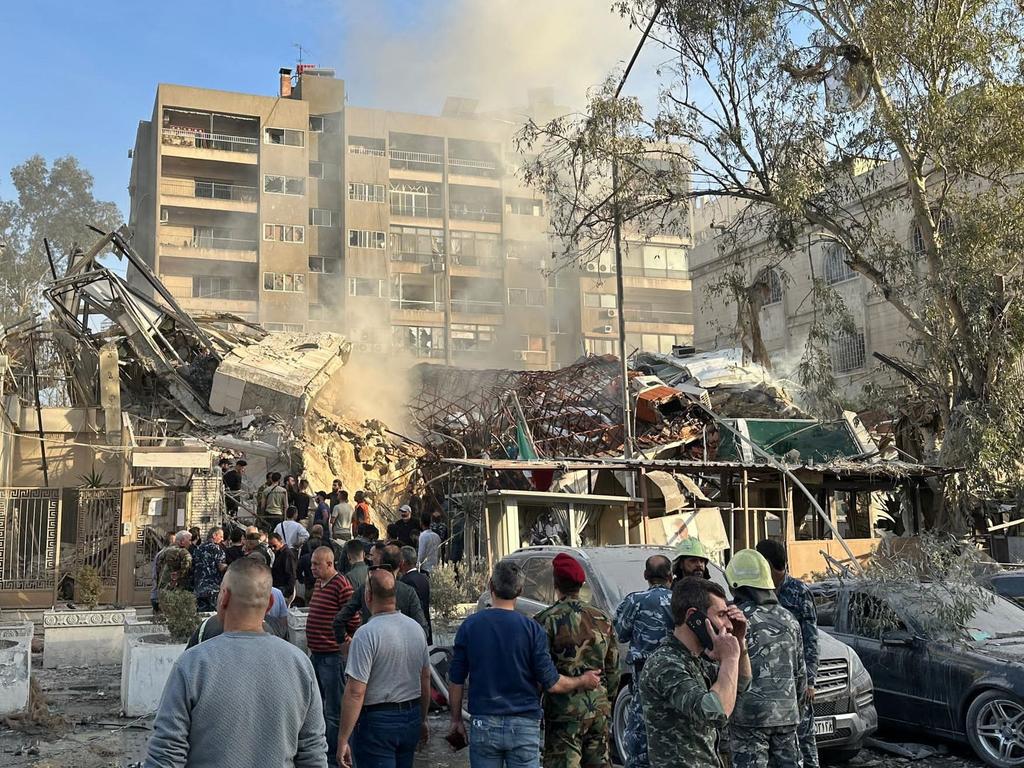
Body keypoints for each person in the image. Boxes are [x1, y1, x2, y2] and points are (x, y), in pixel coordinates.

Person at [144, 557, 327, 768]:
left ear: (224, 597)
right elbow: (313, 753)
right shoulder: (300, 665)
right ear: (270, 604)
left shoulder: (193, 665)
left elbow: (166, 756)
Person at [447, 560, 602, 768]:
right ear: (520, 590)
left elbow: (456, 680)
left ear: (491, 586)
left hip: (483, 722)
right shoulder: (532, 629)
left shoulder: (470, 627)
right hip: (524, 725)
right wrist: (582, 680)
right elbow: (552, 683)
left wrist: (456, 720)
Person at [639, 577, 751, 768]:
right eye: (721, 615)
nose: (729, 625)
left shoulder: (694, 659)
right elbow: (716, 712)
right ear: (694, 617)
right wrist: (730, 658)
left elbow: (741, 683)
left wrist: (740, 644)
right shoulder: (666, 663)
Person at [338, 569, 431, 768]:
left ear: (368, 596)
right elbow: (425, 678)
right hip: (411, 714)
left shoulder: (366, 634)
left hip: (377, 721)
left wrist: (343, 738)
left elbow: (355, 691)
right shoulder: (416, 629)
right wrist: (422, 719)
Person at [535, 553, 620, 768]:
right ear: (581, 584)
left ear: (556, 583)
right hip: (598, 708)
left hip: (563, 712)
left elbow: (538, 671)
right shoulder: (603, 619)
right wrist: (605, 699)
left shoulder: (545, 620)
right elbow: (613, 668)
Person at [727, 549, 807, 768]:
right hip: (787, 716)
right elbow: (801, 674)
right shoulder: (789, 619)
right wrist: (794, 710)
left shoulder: (736, 619)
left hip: (749, 718)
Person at [757, 540, 820, 768]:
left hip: (796, 680)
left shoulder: (798, 592)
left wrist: (810, 681)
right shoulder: (758, 592)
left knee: (804, 738)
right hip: (769, 682)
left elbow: (811, 639)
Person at [613, 554, 674, 768]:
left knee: (640, 741)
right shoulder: (680, 601)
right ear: (671, 576)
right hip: (677, 679)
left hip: (644, 680)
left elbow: (620, 633)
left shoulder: (634, 600)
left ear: (646, 575)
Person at [307, 547, 358, 768]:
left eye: (316, 564)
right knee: (316, 705)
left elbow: (353, 619)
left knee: (334, 711)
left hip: (331, 656)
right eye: (312, 564)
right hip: (317, 654)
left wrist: (344, 640)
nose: (312, 568)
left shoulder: (341, 585)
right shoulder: (319, 584)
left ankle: (335, 757)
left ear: (330, 564)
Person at [333, 545, 428, 642]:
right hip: (400, 647)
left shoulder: (367, 587)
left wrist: (344, 642)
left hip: (370, 644)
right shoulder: (408, 592)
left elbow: (340, 619)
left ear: (381, 562)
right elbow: (423, 629)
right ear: (401, 564)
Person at [398, 546, 431, 644]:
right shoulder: (423, 578)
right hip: (424, 624)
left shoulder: (406, 581)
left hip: (413, 630)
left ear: (402, 562)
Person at [191, 526, 228, 612]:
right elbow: (221, 567)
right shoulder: (217, 549)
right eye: (221, 536)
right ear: (214, 535)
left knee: (201, 616)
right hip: (213, 589)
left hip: (199, 588)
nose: (222, 539)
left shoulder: (198, 549)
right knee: (214, 617)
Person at [150, 531, 176, 612]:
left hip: (157, 594)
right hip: (162, 595)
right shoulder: (167, 554)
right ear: (172, 541)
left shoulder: (160, 553)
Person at [270, 532, 298, 600]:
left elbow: (291, 574)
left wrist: (288, 592)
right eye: (270, 547)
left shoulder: (287, 554)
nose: (272, 549)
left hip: (283, 589)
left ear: (281, 542)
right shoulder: (278, 553)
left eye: (274, 546)